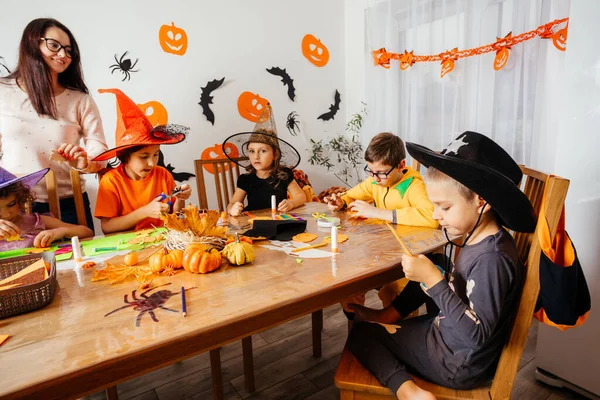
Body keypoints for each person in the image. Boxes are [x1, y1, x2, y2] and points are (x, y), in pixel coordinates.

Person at [346, 131, 536, 400]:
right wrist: (436, 276)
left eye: (444, 207)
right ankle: (387, 315)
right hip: (447, 334)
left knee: (361, 335)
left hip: (457, 362)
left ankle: (409, 392)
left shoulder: (492, 260)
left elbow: (478, 335)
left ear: (481, 201)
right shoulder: (482, 239)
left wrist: (435, 282)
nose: (436, 216)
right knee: (437, 261)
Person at [0, 18, 108, 230]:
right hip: (12, 207)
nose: (63, 55)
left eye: (69, 50)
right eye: (54, 45)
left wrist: (84, 162)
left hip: (69, 203)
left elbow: (100, 152)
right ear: (32, 43)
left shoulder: (80, 100)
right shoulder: (2, 91)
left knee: (81, 262)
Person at [323, 132, 437, 319]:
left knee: (393, 293)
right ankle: (357, 335)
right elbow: (352, 194)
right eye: (371, 171)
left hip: (408, 260)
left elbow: (431, 217)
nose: (375, 178)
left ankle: (396, 336)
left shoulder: (414, 186)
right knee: (349, 287)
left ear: (400, 165)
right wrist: (340, 202)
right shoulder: (376, 181)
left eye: (381, 173)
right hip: (379, 255)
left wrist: (379, 213)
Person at [93, 89, 191, 234]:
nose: (152, 163)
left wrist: (181, 198)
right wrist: (144, 212)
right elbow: (107, 227)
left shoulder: (163, 175)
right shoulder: (111, 181)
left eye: (156, 155)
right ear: (125, 156)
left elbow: (176, 216)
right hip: (127, 248)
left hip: (163, 243)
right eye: (144, 157)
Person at [223, 104, 305, 216]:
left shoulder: (284, 175)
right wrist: (232, 209)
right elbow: (232, 203)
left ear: (275, 154)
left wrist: (291, 203)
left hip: (278, 221)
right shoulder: (246, 180)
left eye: (262, 151)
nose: (256, 156)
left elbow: (301, 196)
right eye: (251, 151)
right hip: (253, 222)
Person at [0, 167, 93, 251]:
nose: (7, 214)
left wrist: (60, 231)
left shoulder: (36, 221)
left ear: (19, 199)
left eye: (11, 204)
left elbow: (87, 232)